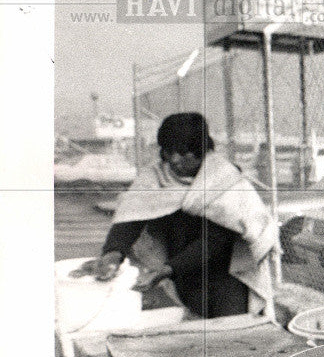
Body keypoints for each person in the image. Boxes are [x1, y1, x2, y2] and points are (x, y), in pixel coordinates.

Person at [74, 112, 278, 319]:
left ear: (201, 150)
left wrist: (167, 270)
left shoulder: (225, 181)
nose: (174, 160)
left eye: (183, 153)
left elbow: (216, 241)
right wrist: (113, 253)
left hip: (226, 278)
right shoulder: (155, 177)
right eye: (168, 151)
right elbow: (131, 218)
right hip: (183, 277)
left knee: (228, 335)